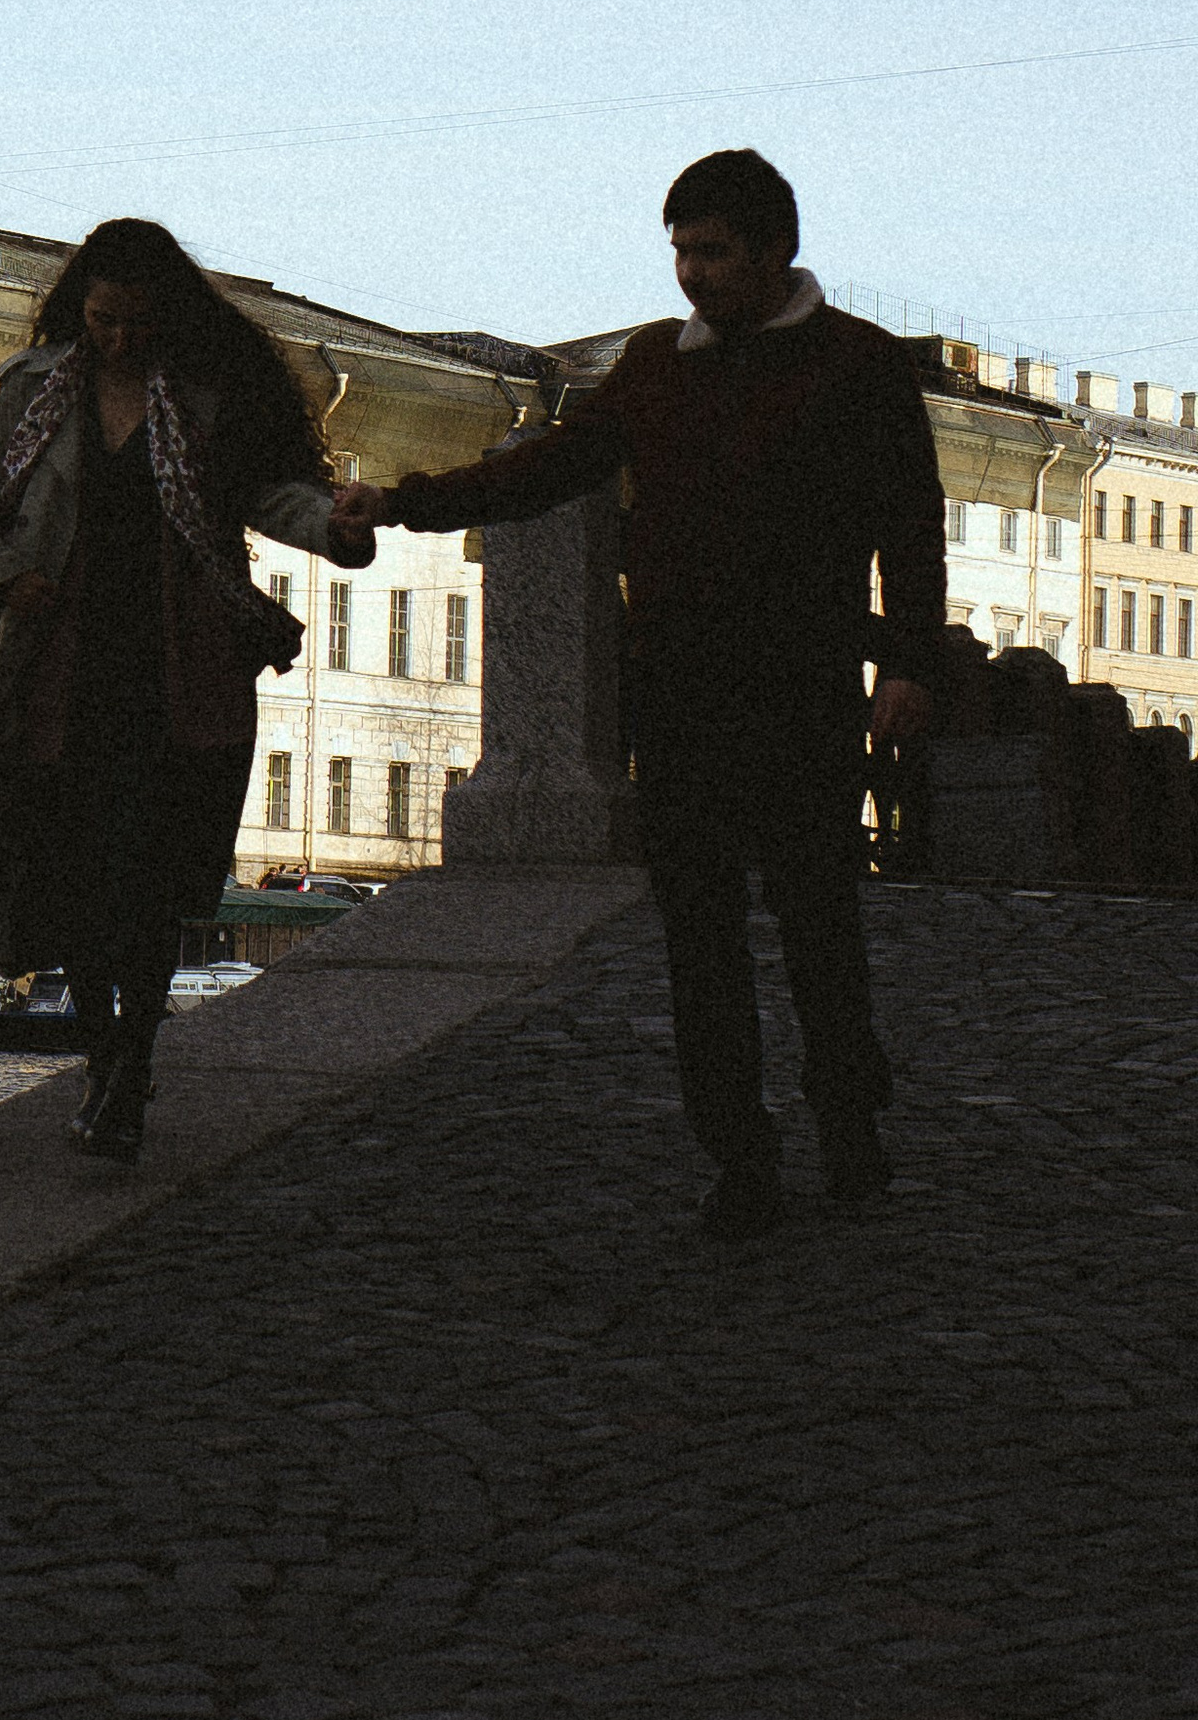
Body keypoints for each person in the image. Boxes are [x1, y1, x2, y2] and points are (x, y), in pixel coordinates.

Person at [340, 148, 943, 1240]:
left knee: (818, 921)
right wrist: (401, 504)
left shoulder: (857, 365)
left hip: (803, 688)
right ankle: (737, 1154)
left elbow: (909, 522)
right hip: (676, 693)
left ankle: (849, 1125)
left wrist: (906, 664)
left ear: (773, 251)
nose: (689, 273)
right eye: (677, 250)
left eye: (710, 250)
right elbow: (550, 468)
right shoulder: (653, 366)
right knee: (698, 937)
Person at [0, 217, 376, 1162]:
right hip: (57, 662)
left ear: (169, 318)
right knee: (70, 872)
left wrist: (337, 527)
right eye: (102, 320)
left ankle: (132, 1057)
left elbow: (268, 496)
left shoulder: (206, 398)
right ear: (81, 307)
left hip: (173, 661)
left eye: (136, 324)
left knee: (151, 878)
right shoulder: (34, 390)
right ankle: (104, 1050)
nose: (117, 340)